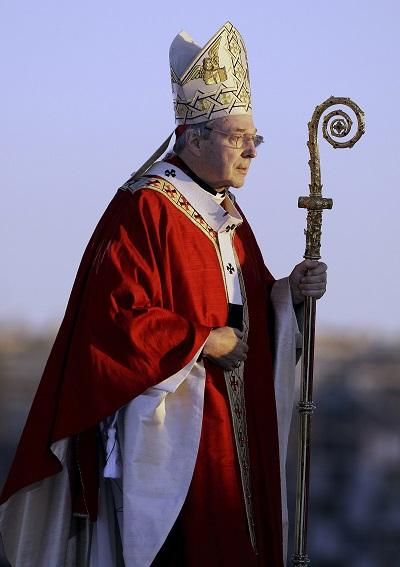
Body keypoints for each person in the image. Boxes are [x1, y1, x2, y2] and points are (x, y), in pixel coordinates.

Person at [0, 21, 327, 567]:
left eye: (256, 139)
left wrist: (289, 295)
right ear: (193, 138)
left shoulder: (226, 211)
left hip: (236, 422)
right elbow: (112, 321)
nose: (251, 151)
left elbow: (246, 307)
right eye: (236, 137)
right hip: (177, 430)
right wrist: (202, 341)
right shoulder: (145, 207)